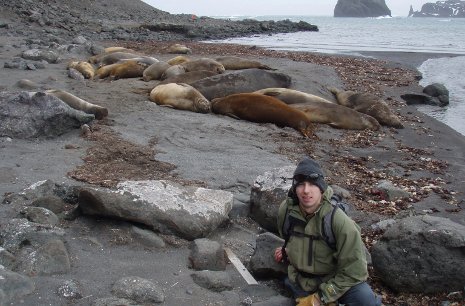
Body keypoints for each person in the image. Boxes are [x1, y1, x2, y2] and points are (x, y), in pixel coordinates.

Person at [274, 157, 381, 306]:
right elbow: (287, 237)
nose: (306, 190)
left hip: (334, 281)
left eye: (312, 184)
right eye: (301, 185)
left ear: (321, 188)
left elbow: (355, 272)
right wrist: (287, 250)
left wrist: (320, 298)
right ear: (294, 188)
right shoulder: (285, 211)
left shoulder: (338, 221)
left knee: (365, 299)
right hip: (301, 282)